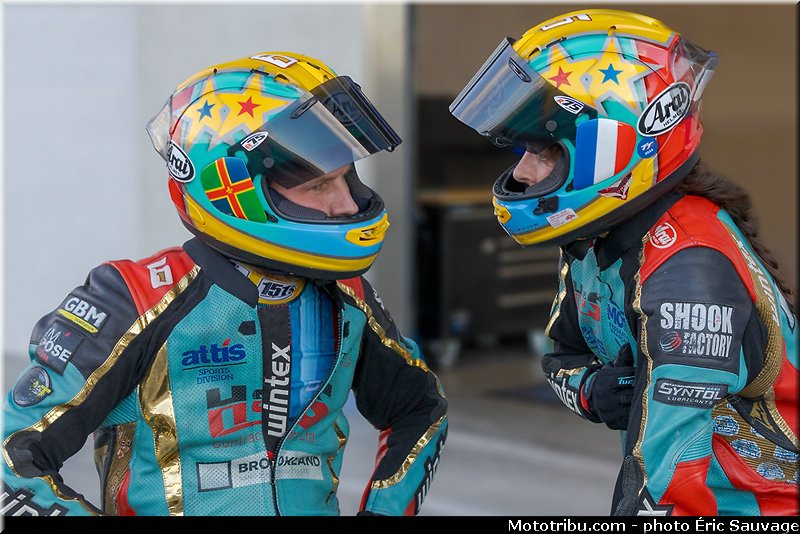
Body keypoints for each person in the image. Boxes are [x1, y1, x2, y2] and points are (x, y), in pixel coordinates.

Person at [2, 51, 447, 516]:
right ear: (233, 190)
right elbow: (11, 460)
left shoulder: (348, 295)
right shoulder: (134, 297)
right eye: (318, 186)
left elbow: (421, 409)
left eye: (345, 178)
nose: (346, 204)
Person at [449, 9, 797, 516]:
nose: (521, 173)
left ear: (615, 145)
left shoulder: (689, 269)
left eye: (545, 151)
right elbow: (562, 357)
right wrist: (592, 390)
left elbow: (667, 484)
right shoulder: (598, 238)